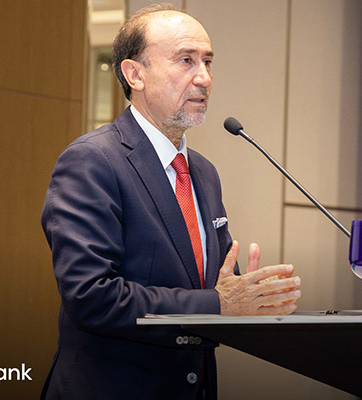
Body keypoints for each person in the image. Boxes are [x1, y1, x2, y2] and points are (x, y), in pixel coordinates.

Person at [40, 4, 301, 399]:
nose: (204, 77)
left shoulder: (203, 172)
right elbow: (92, 296)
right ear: (135, 74)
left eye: (208, 62)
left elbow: (213, 287)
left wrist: (248, 296)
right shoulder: (93, 161)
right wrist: (218, 304)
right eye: (186, 60)